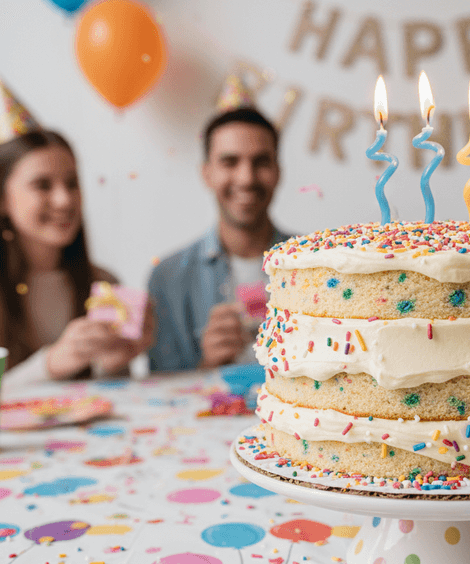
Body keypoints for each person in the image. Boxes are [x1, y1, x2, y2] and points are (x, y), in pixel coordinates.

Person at [0, 122, 154, 387]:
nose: (65, 200)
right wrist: (51, 363)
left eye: (72, 184)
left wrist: (112, 363)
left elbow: (115, 401)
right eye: (42, 185)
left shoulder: (103, 282)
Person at [147, 104, 291, 372]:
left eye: (260, 162)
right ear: (207, 174)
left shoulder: (316, 267)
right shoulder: (168, 279)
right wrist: (208, 364)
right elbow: (160, 389)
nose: (246, 178)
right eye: (230, 162)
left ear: (278, 172)